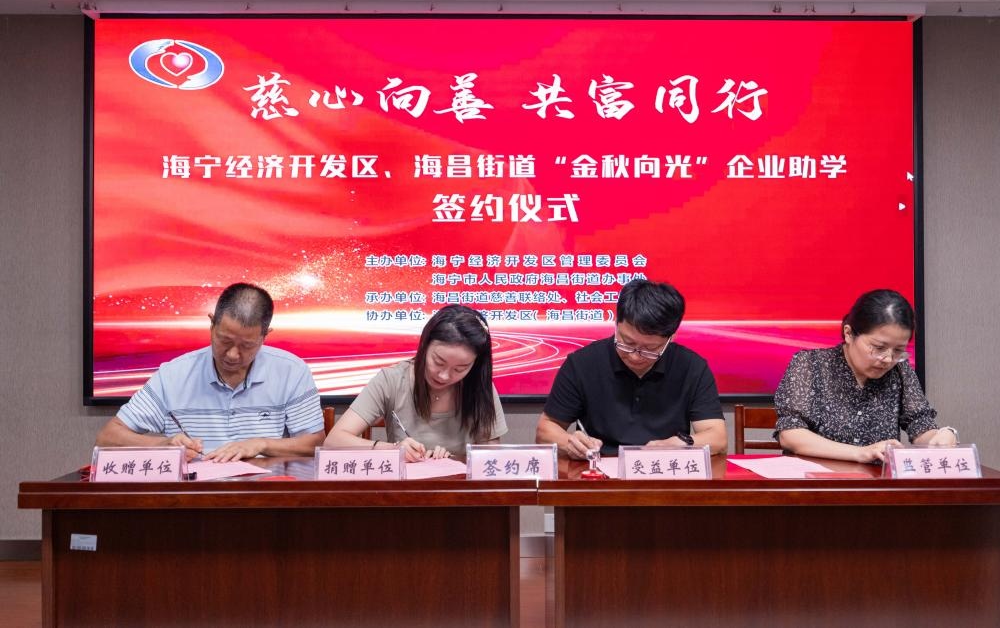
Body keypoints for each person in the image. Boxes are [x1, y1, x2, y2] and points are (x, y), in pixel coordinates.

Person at [95, 283, 324, 461]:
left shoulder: (291, 371)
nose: (232, 355)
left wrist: (261, 444)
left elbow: (315, 443)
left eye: (246, 345)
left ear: (265, 336)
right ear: (212, 324)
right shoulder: (174, 374)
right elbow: (108, 437)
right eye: (225, 340)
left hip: (262, 496)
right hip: (192, 498)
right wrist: (163, 445)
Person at [536, 279, 727, 458]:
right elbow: (545, 430)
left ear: (671, 338)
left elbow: (718, 438)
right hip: (599, 471)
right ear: (616, 323)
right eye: (627, 343)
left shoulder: (692, 367)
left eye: (650, 349)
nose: (635, 356)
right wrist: (570, 443)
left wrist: (681, 444)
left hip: (664, 470)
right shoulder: (582, 364)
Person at [774, 289, 958, 463]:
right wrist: (860, 452)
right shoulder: (810, 364)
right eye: (878, 348)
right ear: (848, 333)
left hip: (877, 482)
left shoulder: (900, 371)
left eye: (898, 350)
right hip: (818, 480)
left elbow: (920, 425)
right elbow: (791, 434)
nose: (888, 359)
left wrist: (940, 437)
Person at [324, 304, 508, 461]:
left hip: (459, 489)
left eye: (460, 369)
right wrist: (394, 450)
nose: (444, 376)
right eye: (438, 362)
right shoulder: (392, 380)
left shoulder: (479, 386)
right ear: (424, 346)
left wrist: (452, 460)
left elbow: (491, 456)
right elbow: (333, 441)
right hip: (403, 489)